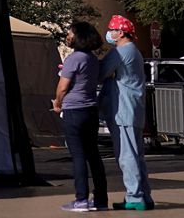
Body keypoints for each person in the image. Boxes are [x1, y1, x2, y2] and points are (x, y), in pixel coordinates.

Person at [99, 15, 153, 211]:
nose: (109, 33)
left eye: (112, 30)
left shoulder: (120, 52)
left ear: (120, 33)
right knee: (136, 155)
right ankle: (144, 195)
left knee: (126, 155)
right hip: (133, 109)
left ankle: (135, 195)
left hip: (123, 110)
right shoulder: (134, 52)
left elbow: (100, 72)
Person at [53, 21, 107, 212]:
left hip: (74, 110)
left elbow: (62, 87)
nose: (68, 35)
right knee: (93, 155)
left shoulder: (73, 59)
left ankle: (81, 199)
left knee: (78, 156)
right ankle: (101, 199)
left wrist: (58, 104)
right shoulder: (92, 59)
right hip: (91, 110)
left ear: (79, 36)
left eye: (70, 32)